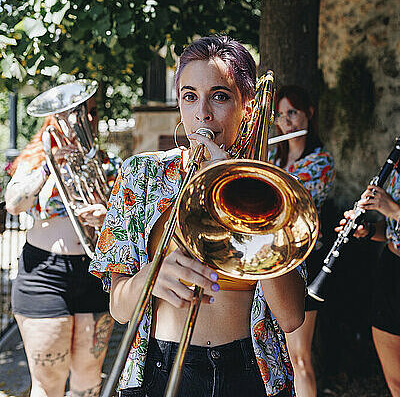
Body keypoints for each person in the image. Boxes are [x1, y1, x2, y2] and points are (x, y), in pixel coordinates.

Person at [90, 35, 308, 397]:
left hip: (251, 370)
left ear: (248, 107)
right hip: (160, 368)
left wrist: (242, 191)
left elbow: (290, 317)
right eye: (189, 96)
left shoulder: (273, 188)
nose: (202, 114)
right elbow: (119, 309)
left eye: (219, 96)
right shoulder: (141, 175)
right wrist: (151, 276)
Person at [5, 95, 120, 397]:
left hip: (94, 273)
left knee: (88, 381)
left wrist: (107, 216)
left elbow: (127, 223)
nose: (86, 120)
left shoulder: (109, 164)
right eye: (74, 113)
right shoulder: (34, 161)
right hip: (45, 275)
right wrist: (49, 166)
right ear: (54, 118)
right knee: (48, 384)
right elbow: (15, 205)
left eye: (92, 112)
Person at [269, 86, 335, 397]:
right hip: (270, 259)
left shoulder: (320, 161)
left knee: (299, 357)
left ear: (308, 112)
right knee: (272, 355)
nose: (287, 122)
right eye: (280, 116)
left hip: (304, 261)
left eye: (292, 113)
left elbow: (286, 197)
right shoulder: (271, 157)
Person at [338, 168, 400, 396]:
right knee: (396, 383)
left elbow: (395, 214)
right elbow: (394, 230)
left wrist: (393, 209)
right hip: (392, 269)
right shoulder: (397, 165)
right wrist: (369, 230)